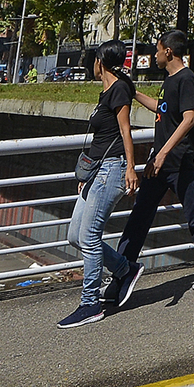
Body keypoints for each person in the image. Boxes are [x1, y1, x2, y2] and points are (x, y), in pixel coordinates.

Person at [111, 31, 194, 300]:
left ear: (169, 52)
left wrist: (164, 153)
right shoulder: (169, 80)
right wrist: (134, 91)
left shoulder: (186, 78)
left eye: (157, 49)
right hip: (161, 161)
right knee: (140, 214)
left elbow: (189, 119)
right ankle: (122, 269)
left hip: (177, 160)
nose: (154, 55)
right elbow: (162, 109)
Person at [58, 45, 138, 329]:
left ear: (100, 62)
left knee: (89, 237)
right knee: (75, 236)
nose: (90, 64)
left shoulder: (118, 90)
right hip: (96, 171)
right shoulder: (108, 90)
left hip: (112, 170)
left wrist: (131, 167)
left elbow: (126, 130)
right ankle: (124, 269)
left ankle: (90, 303)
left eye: (92, 60)